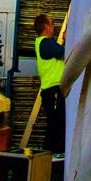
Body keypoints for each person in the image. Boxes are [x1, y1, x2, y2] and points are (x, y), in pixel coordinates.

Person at [33, 13, 65, 157]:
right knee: (55, 125)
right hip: (53, 90)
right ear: (45, 26)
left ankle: (52, 153)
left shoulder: (44, 43)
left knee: (56, 124)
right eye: (51, 23)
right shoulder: (45, 43)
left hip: (51, 90)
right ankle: (52, 154)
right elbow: (62, 52)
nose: (53, 27)